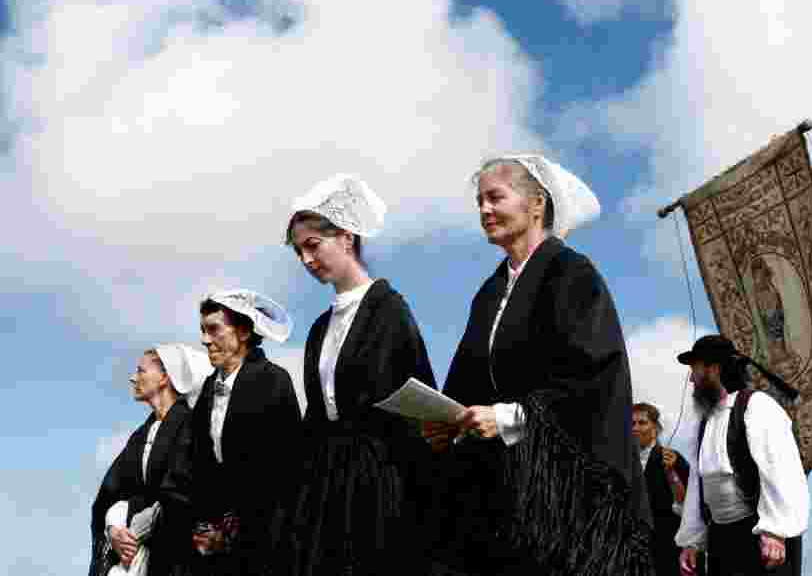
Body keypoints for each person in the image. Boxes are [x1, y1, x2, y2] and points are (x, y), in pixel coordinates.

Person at [423, 155, 654, 576]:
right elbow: (468, 383)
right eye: (479, 201)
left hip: (563, 497)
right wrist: (449, 421)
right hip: (501, 493)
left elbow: (594, 379)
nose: (484, 210)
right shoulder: (490, 292)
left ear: (536, 204)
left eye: (495, 197)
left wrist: (511, 416)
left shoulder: (572, 274)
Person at [272, 174, 437, 575]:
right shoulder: (318, 329)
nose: (307, 260)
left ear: (347, 237)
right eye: (299, 253)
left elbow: (416, 402)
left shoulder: (389, 310)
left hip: (378, 482)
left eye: (313, 246)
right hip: (324, 485)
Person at [675, 334, 809, 576]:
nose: (692, 379)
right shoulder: (705, 421)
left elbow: (780, 472)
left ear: (714, 370)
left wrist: (774, 531)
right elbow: (698, 484)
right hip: (723, 540)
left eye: (695, 370)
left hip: (761, 537)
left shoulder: (757, 407)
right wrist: (692, 541)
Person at [190, 289, 301, 575]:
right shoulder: (206, 390)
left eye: (214, 329)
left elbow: (286, 471)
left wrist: (232, 534)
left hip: (266, 543)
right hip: (215, 549)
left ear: (242, 331)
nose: (204, 340)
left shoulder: (273, 381)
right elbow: (200, 467)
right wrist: (207, 528)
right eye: (202, 330)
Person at [90, 344, 212, 576]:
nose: (133, 377)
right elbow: (112, 493)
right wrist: (113, 531)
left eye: (141, 370)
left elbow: (184, 495)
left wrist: (140, 526)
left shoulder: (191, 425)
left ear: (165, 377)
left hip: (174, 559)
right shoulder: (140, 435)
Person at [632, 403, 689, 576]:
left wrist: (671, 472)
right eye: (632, 423)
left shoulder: (673, 458)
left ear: (655, 427)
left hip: (665, 544)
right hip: (632, 548)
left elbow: (685, 503)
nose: (635, 428)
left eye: (642, 423)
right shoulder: (622, 462)